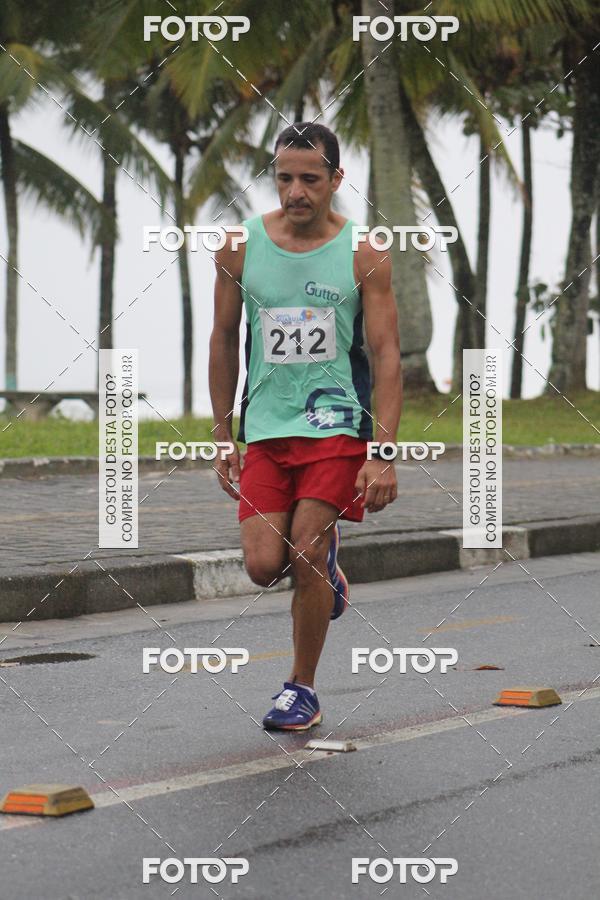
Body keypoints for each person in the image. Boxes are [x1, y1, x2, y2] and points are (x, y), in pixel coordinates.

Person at [209, 122, 402, 731]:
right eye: (285, 177)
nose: (296, 192)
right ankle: (331, 577)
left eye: (310, 180)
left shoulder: (364, 254)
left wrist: (385, 451)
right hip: (266, 426)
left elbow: (386, 352)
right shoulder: (239, 246)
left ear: (336, 181)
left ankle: (302, 690)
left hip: (336, 425)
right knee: (266, 565)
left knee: (306, 552)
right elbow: (220, 341)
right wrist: (222, 435)